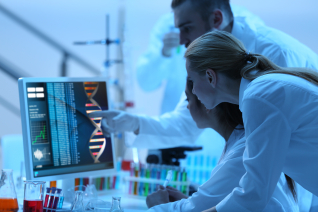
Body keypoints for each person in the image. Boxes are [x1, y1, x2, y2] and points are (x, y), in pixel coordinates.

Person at [185, 30, 318, 212]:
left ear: (210, 76)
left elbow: (254, 193)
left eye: (192, 81)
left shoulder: (259, 97)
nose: (192, 92)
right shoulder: (263, 89)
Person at [143, 79, 298, 212]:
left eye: (188, 99)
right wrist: (188, 201)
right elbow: (222, 202)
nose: (188, 107)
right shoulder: (238, 141)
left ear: (207, 103)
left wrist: (158, 206)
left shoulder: (244, 151)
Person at [136, 4, 265, 114]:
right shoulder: (169, 23)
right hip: (178, 126)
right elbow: (146, 83)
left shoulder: (246, 24)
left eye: (188, 28)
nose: (183, 38)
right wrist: (164, 53)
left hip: (224, 128)